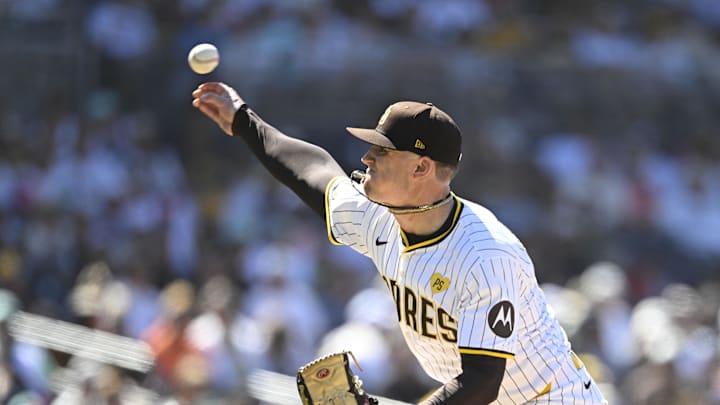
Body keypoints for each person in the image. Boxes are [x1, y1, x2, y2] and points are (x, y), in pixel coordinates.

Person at [191, 82, 608, 404]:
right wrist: (243, 120)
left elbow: (481, 381)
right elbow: (314, 170)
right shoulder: (380, 216)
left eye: (382, 151)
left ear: (422, 167)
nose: (367, 158)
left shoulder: (485, 255)